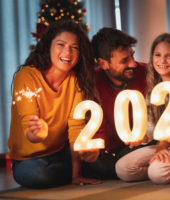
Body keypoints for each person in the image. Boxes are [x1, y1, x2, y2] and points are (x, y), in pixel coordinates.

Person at [8, 20, 102, 188]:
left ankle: (72, 171)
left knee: (97, 159)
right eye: (61, 44)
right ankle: (68, 171)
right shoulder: (26, 77)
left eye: (74, 47)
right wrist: (36, 133)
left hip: (61, 152)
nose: (68, 52)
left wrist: (77, 174)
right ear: (48, 47)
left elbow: (75, 127)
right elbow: (28, 125)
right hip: (29, 159)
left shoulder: (75, 80)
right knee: (39, 175)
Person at [115, 33, 170, 184]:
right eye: (157, 55)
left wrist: (163, 145)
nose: (162, 60)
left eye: (169, 56)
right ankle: (164, 166)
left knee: (158, 173)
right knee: (123, 169)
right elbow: (151, 127)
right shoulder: (152, 88)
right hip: (163, 144)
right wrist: (143, 137)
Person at [84, 27, 154, 179]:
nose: (133, 64)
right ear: (103, 64)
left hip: (143, 143)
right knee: (100, 164)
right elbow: (96, 128)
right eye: (124, 60)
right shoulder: (93, 84)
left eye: (132, 56)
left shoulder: (147, 72)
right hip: (111, 151)